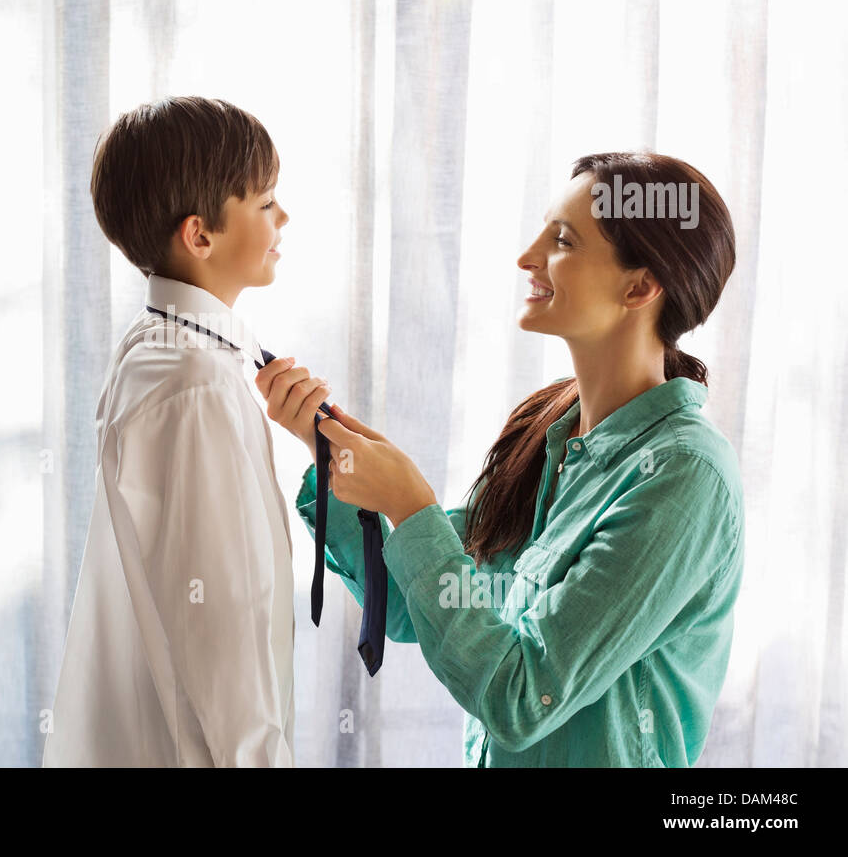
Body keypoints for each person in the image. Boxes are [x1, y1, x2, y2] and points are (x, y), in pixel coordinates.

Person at [257, 152, 744, 767]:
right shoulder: (546, 437)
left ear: (640, 286)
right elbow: (420, 605)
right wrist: (334, 463)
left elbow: (521, 696)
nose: (527, 256)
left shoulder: (684, 478)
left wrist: (412, 509)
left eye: (562, 240)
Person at [44, 96, 300, 766]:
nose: (284, 218)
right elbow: (220, 627)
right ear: (200, 235)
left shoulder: (160, 346)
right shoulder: (197, 380)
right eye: (266, 202)